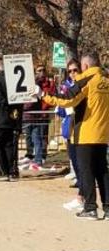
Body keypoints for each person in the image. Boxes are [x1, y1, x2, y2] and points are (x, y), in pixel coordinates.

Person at [40, 52, 109, 220]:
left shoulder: (86, 80)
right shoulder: (106, 81)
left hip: (85, 133)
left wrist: (43, 95)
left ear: (85, 66)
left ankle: (90, 207)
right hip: (103, 133)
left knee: (85, 172)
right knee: (103, 171)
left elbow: (67, 99)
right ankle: (108, 207)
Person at [0, 58, 23, 182]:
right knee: (8, 145)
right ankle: (11, 171)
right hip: (11, 118)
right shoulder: (12, 81)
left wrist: (7, 110)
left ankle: (2, 172)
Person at [59, 59, 85, 212]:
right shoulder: (66, 87)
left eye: (75, 70)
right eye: (70, 71)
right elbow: (60, 108)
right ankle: (82, 196)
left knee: (85, 167)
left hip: (83, 130)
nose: (73, 73)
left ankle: (83, 197)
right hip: (70, 128)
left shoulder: (85, 85)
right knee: (75, 164)